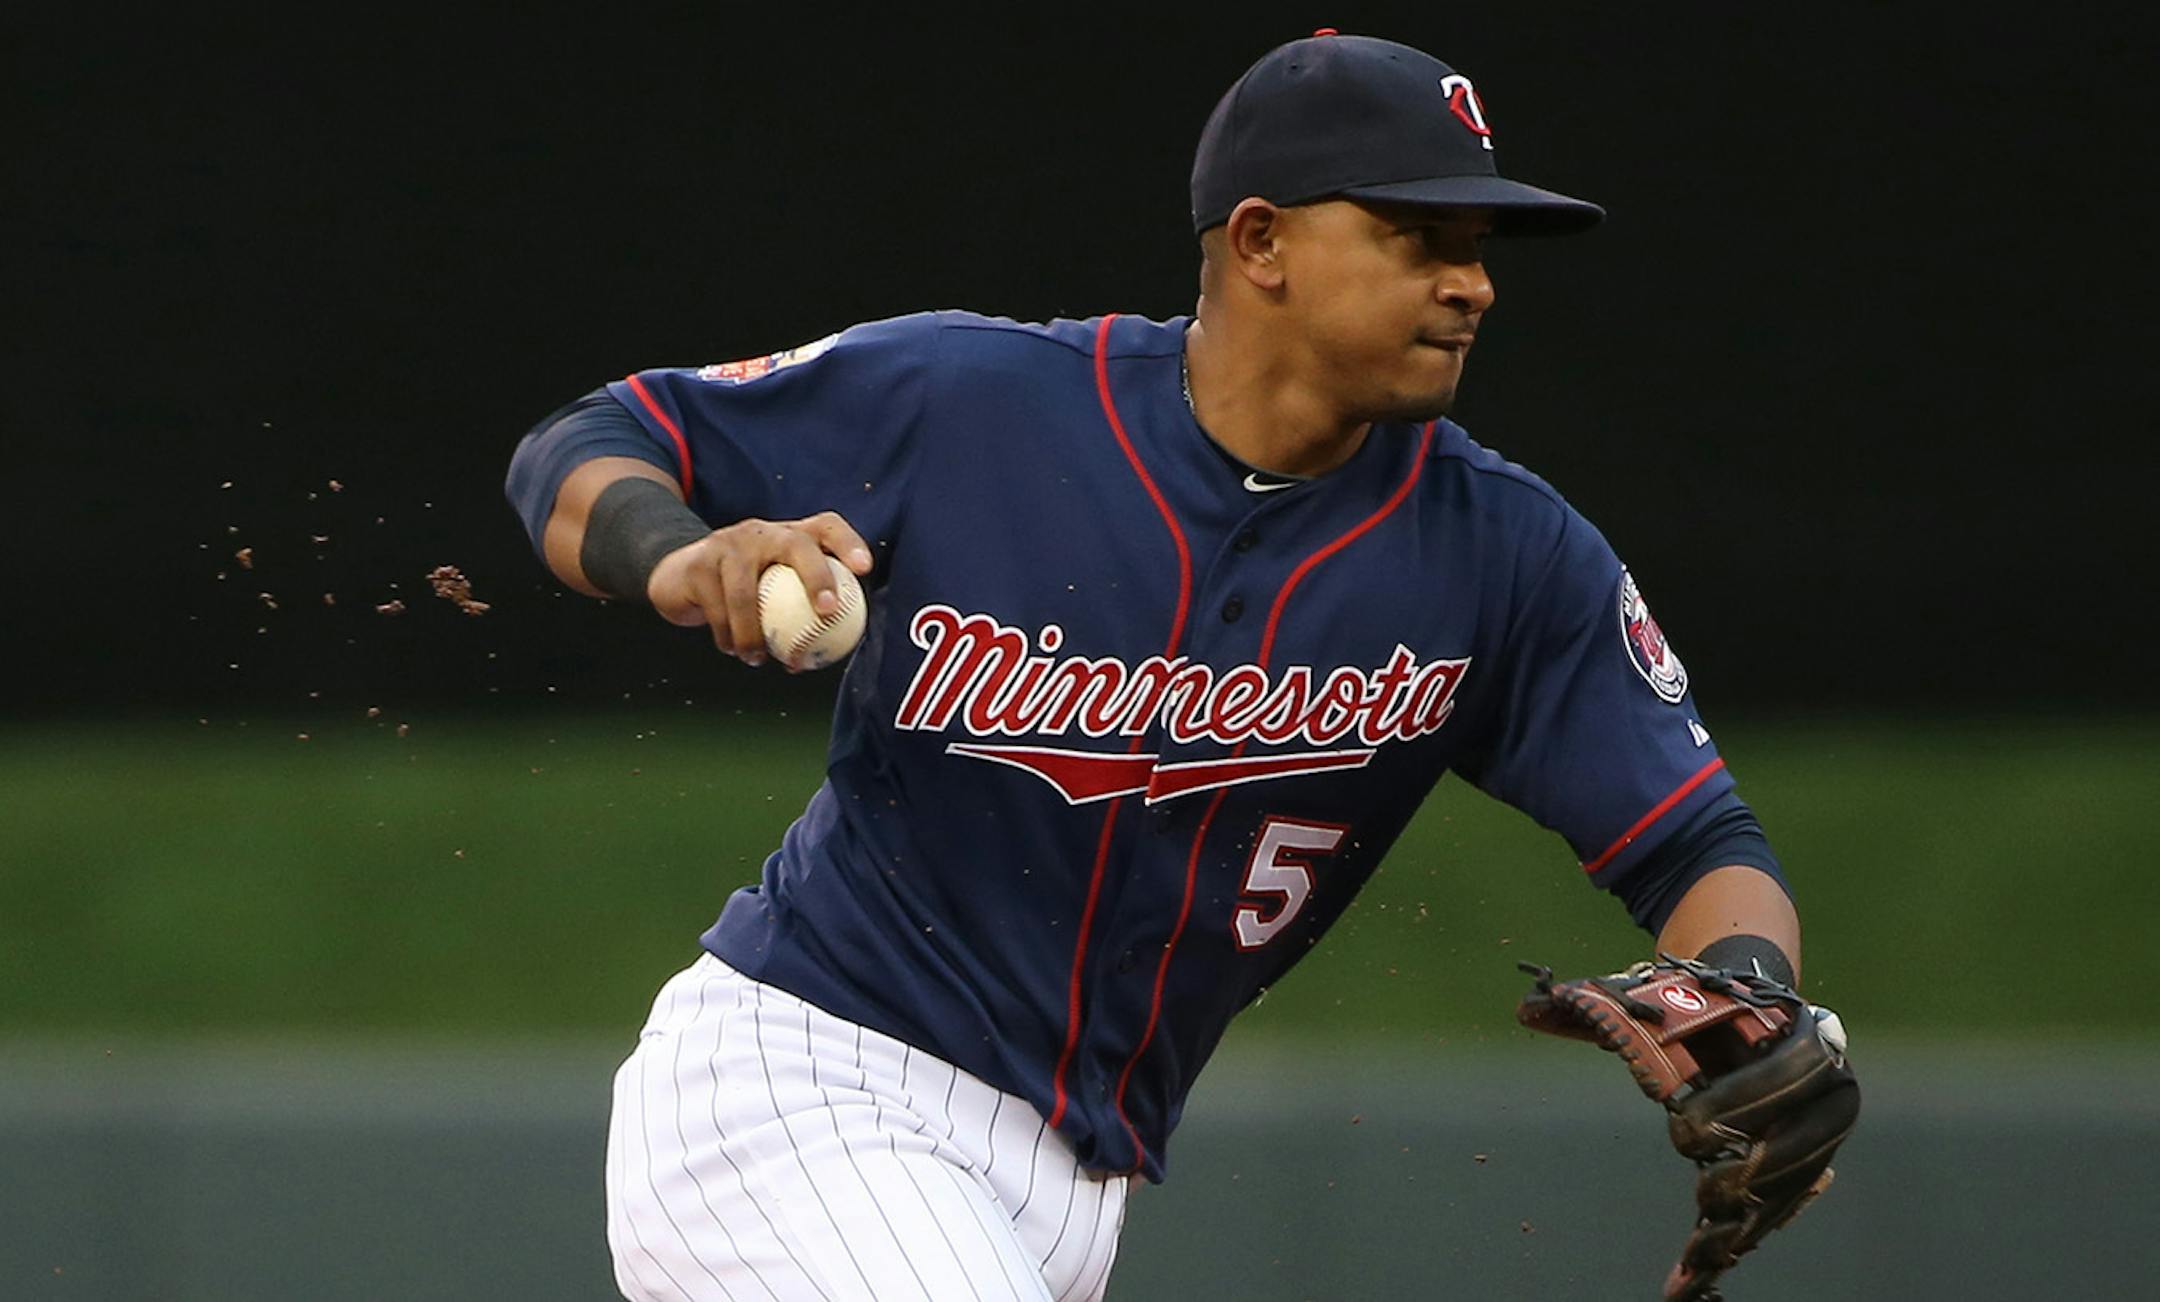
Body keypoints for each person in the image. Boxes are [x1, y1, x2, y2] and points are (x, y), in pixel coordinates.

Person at [508, 30, 1825, 1302]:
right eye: (1420, 237)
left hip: (1079, 1191)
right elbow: (595, 440)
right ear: (1261, 242)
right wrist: (680, 556)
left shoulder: (1506, 557)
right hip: (806, 1088)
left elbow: (1698, 841)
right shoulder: (975, 400)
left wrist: (1753, 991)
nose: (1471, 282)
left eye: (1477, 248)